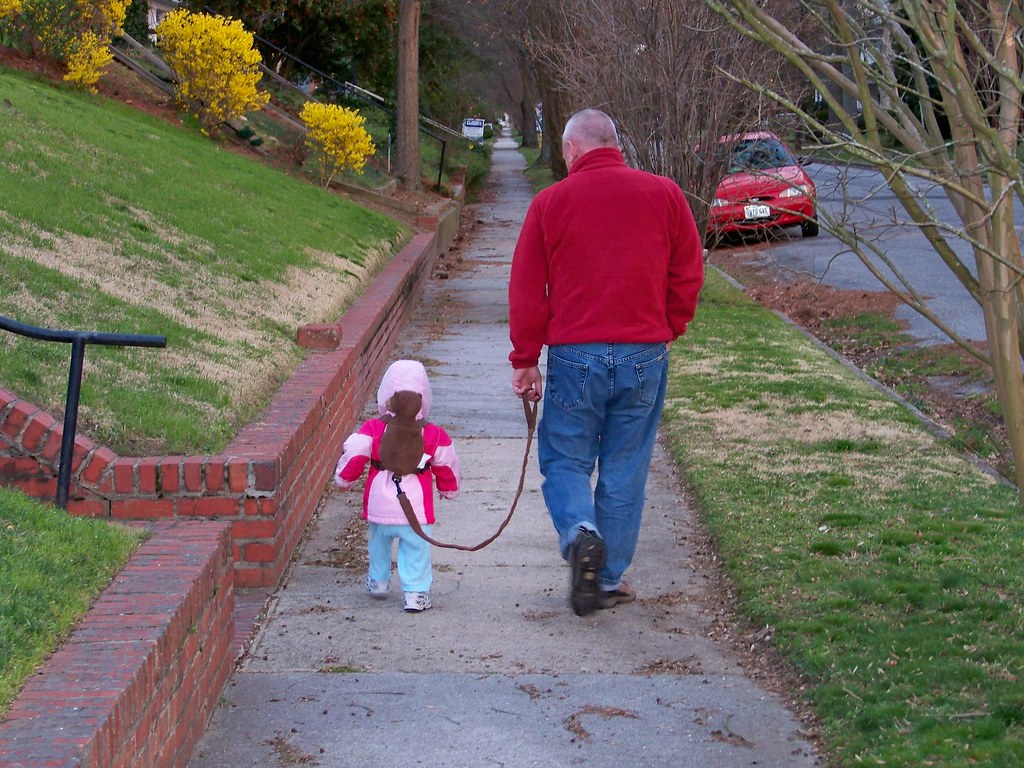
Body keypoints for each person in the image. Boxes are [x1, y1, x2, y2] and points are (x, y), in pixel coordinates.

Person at [508, 108, 705, 616]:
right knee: (625, 467)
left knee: (566, 460)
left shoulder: (550, 203)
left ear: (571, 149)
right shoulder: (664, 194)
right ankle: (609, 578)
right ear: (615, 143)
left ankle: (581, 534)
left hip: (576, 356)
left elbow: (528, 288)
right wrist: (670, 325)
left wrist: (526, 358)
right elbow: (688, 270)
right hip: (644, 353)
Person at [335, 359, 460, 612]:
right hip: (415, 509)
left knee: (378, 543)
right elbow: (447, 461)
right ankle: (415, 593)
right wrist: (448, 488)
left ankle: (378, 582)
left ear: (386, 394)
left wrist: (344, 478)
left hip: (380, 504)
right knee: (416, 549)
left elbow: (355, 451)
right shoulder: (433, 434)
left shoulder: (373, 427)